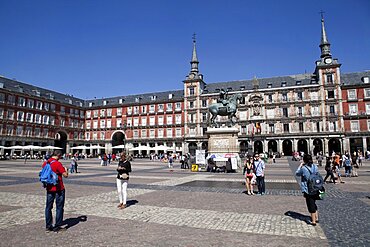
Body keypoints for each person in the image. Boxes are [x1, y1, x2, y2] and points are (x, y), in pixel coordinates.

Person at [43, 150, 69, 232]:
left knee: (48, 207)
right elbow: (66, 175)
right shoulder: (57, 164)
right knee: (59, 207)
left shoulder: (46, 163)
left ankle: (48, 226)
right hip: (59, 188)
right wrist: (66, 170)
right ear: (59, 155)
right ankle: (57, 226)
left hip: (49, 188)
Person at [296, 154, 321, 226]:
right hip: (316, 187)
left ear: (304, 160)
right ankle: (316, 217)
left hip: (308, 189)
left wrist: (300, 166)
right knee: (314, 202)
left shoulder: (304, 168)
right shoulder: (315, 167)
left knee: (310, 204)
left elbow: (297, 173)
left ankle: (313, 221)